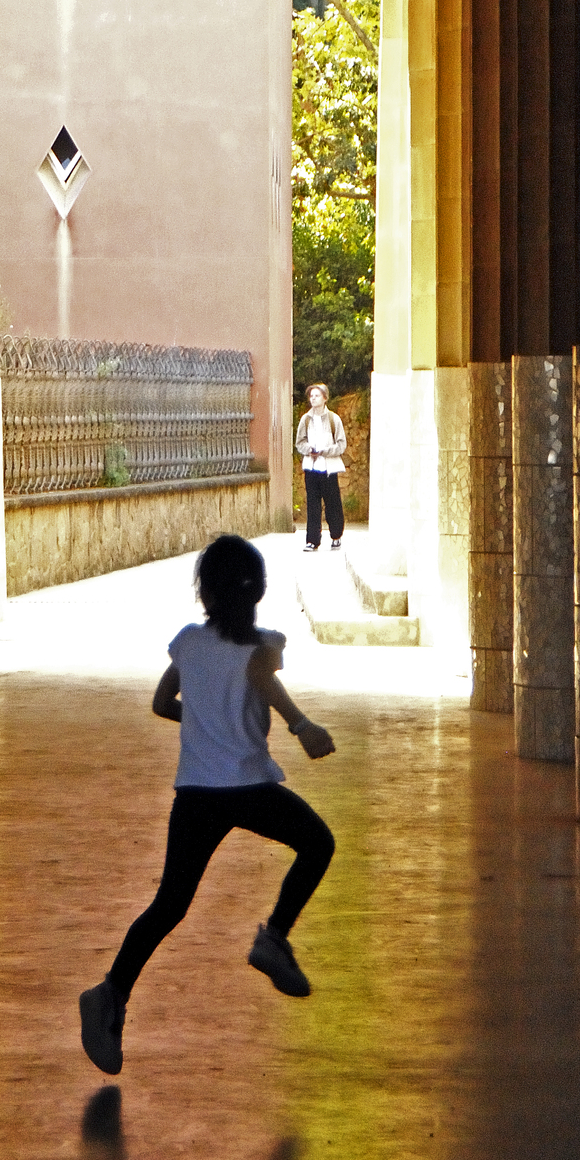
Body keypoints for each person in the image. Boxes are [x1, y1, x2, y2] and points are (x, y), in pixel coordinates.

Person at [79, 534, 336, 1076]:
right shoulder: (262, 647)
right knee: (316, 843)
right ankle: (274, 939)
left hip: (196, 793)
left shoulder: (189, 644)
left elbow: (161, 703)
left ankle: (109, 993)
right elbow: (263, 682)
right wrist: (301, 724)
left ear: (206, 592)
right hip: (247, 788)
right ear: (257, 590)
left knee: (169, 905)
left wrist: (203, 726)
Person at [295, 382, 347, 551]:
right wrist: (309, 450)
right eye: (311, 396)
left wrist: (325, 451)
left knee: (332, 503)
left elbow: (341, 444)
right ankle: (312, 540)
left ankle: (336, 535)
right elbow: (299, 442)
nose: (313, 398)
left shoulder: (334, 419)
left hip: (328, 468)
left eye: (317, 395)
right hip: (311, 467)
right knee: (312, 504)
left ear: (325, 398)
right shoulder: (306, 419)